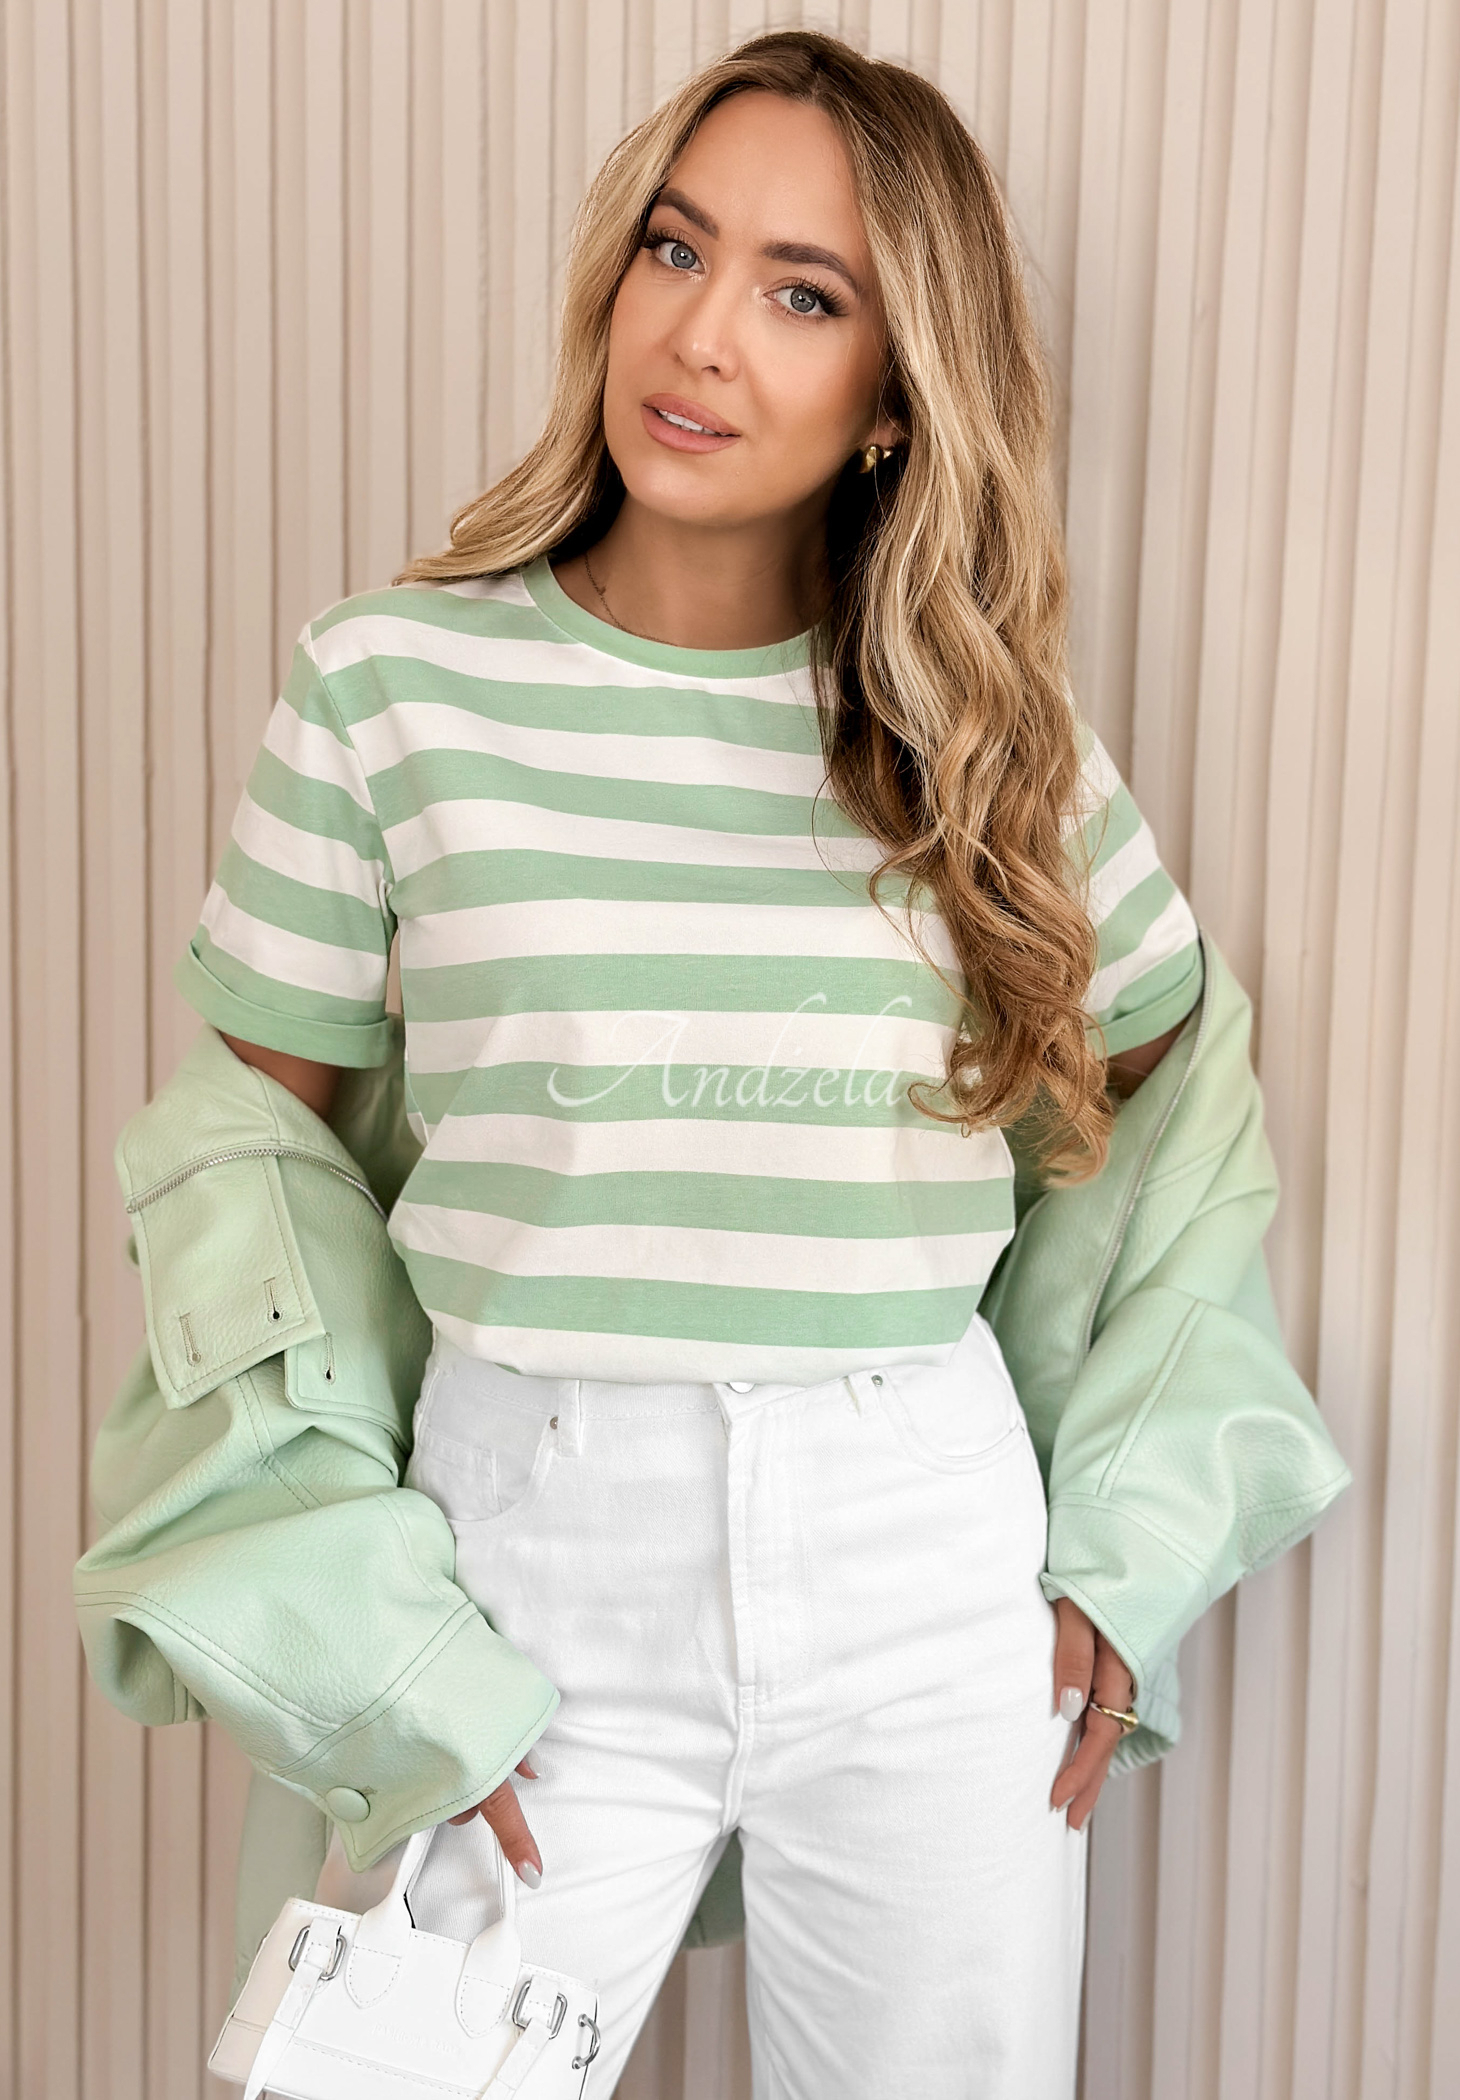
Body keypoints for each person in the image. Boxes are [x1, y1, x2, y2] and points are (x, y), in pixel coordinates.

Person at [171, 30, 1232, 2096]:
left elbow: (1182, 1126)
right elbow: (243, 1196)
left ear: (893, 395)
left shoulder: (986, 741)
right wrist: (359, 1612)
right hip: (522, 1542)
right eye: (677, 249)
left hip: (922, 1542)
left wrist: (1130, 1540)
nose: (702, 334)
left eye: (802, 294)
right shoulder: (388, 686)